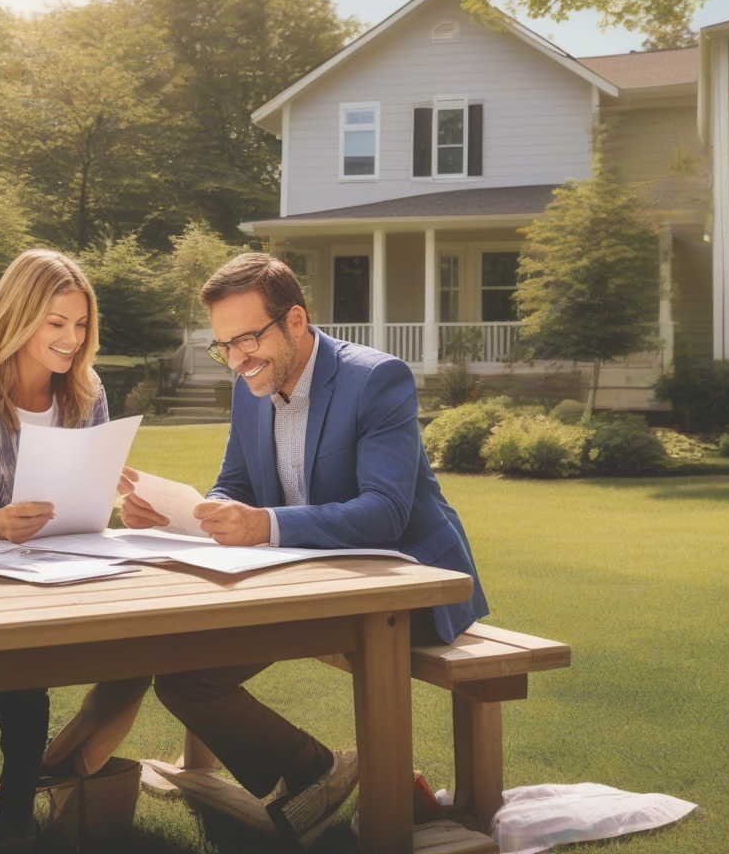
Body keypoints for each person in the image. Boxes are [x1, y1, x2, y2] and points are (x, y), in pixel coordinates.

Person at [120, 252, 489, 846]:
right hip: (311, 581)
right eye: (225, 346)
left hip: (409, 587)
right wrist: (182, 516)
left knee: (191, 670)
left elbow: (386, 512)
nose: (238, 359)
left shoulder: (376, 379)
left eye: (248, 338)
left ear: (295, 320)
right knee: (183, 673)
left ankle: (387, 799)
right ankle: (314, 768)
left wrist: (264, 526)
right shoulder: (250, 388)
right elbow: (235, 487)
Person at [0, 250, 147, 852]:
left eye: (81, 323)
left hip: (39, 569)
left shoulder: (87, 393)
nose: (72, 339)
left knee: (24, 695)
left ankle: (15, 820)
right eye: (56, 323)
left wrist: (114, 498)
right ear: (18, 317)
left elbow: (82, 509)